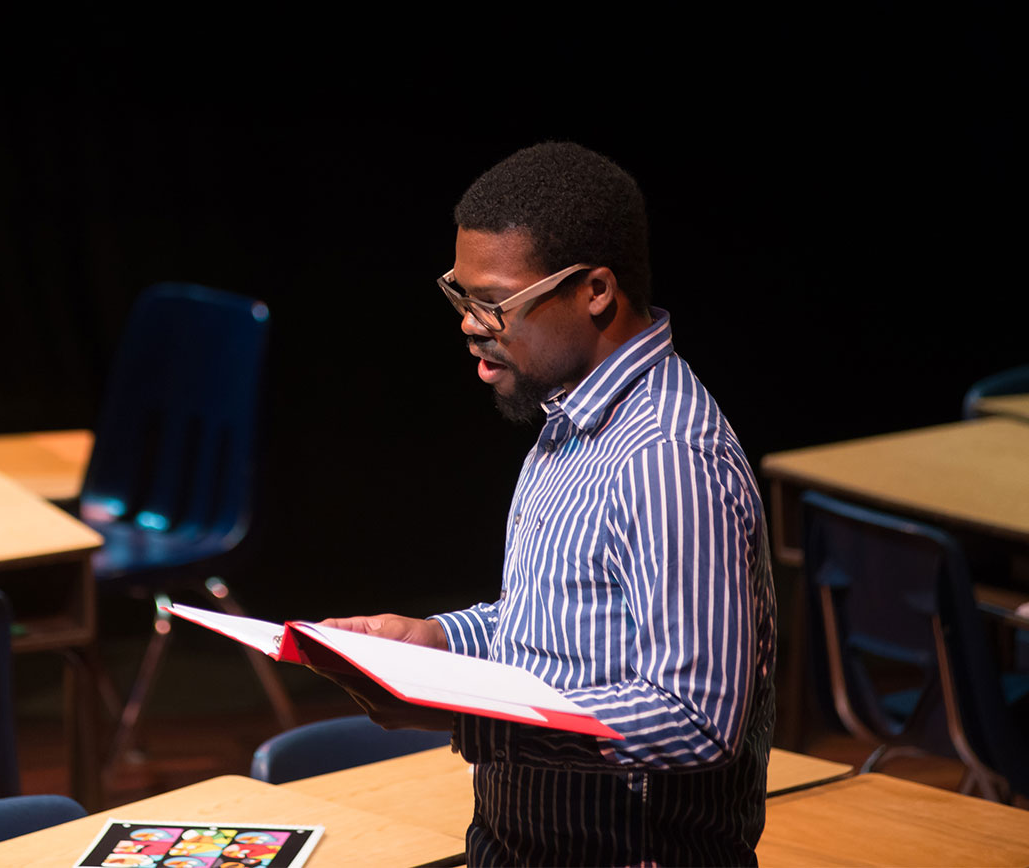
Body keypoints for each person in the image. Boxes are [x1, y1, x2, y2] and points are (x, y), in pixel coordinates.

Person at [323, 141, 777, 866]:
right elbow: (569, 623)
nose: (470, 323)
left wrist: (466, 714)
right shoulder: (566, 423)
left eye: (494, 302)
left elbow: (697, 717)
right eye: (461, 295)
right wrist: (438, 640)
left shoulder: (666, 456)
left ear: (595, 290)